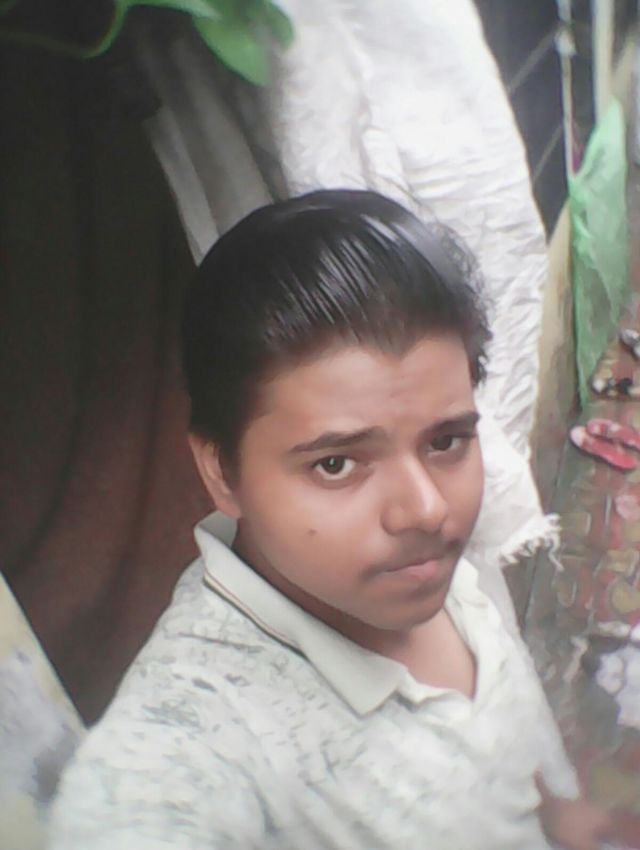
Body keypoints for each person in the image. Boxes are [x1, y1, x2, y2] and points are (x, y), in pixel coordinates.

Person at [49, 190, 611, 850]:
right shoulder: (189, 749)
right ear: (221, 471)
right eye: (337, 464)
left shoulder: (414, 566)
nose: (427, 508)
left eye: (445, 441)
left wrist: (559, 817)